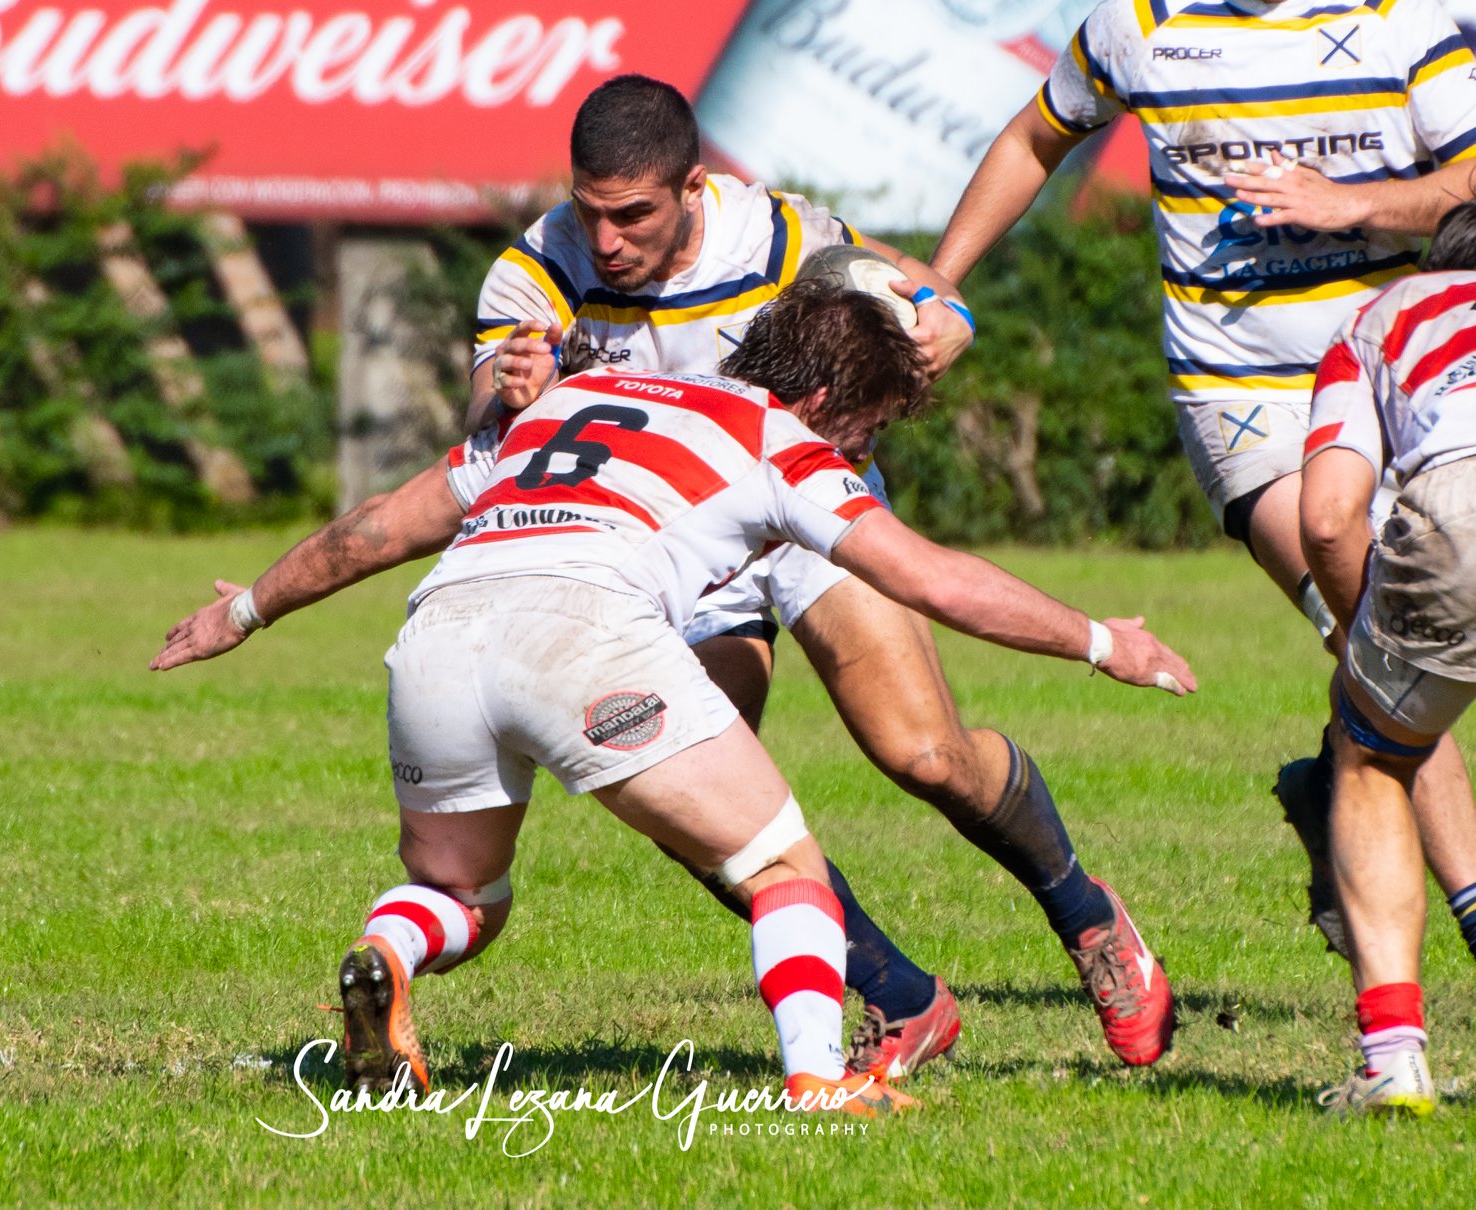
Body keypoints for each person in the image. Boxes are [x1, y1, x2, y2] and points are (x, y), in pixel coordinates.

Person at [151, 280, 1197, 1114]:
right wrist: (1100, 639)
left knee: (464, 893)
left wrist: (244, 610)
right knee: (780, 862)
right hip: (582, 634)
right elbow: (929, 577)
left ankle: (386, 953)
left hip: (438, 635)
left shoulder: (565, 397)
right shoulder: (781, 437)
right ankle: (817, 1083)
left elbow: (378, 525)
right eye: (866, 435)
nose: (860, 457)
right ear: (829, 404)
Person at [472, 73, 1178, 1075]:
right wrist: (509, 395)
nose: (607, 241)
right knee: (689, 801)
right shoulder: (536, 268)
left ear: (690, 188)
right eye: (590, 213)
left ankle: (1084, 914)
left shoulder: (770, 234)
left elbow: (887, 275)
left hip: (809, 509)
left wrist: (940, 310)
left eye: (631, 215)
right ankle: (899, 995)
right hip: (680, 550)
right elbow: (486, 414)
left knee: (925, 754)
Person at [929, 0, 1476, 960]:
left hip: (1404, 379)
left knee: (1394, 669)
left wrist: (1354, 204)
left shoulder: (1402, 18)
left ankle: (1332, 785)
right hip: (1245, 405)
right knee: (1391, 640)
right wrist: (943, 283)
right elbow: (1030, 138)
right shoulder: (1137, 25)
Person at [1299, 200, 1476, 1115]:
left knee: (1370, 759)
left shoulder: (1388, 313)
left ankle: (1395, 1060)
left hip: (1458, 508)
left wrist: (1368, 645)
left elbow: (1328, 517)